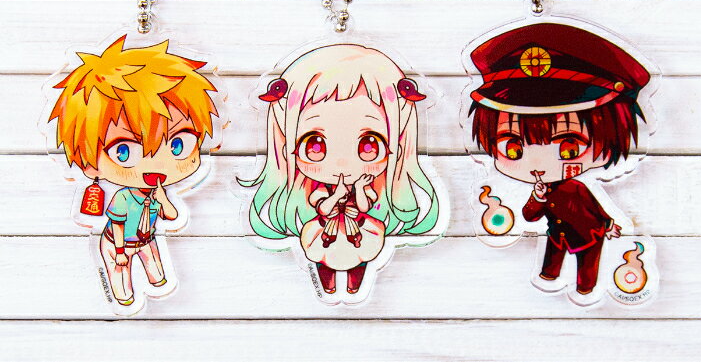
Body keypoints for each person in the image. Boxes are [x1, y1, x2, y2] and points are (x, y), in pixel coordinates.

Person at [242, 44, 440, 295]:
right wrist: (336, 195)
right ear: (286, 147)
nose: (342, 164)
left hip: (360, 230)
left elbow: (365, 206)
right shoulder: (319, 190)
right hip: (325, 232)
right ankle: (328, 281)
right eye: (315, 145)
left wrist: (360, 189)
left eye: (369, 145)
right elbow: (323, 209)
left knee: (363, 254)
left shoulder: (366, 186)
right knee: (322, 255)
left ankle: (356, 280)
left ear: (398, 147)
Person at [468, 22, 650, 295]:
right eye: (514, 147)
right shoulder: (545, 188)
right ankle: (549, 275)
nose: (539, 163)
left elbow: (594, 211)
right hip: (558, 233)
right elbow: (529, 216)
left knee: (587, 264)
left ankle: (586, 287)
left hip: (587, 235)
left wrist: (609, 225)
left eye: (569, 146)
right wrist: (538, 196)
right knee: (552, 255)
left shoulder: (577, 188)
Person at [49, 35, 219, 306]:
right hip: (116, 243)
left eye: (177, 145)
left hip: (147, 239)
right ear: (90, 164)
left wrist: (163, 199)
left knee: (158, 275)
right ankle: (124, 298)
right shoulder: (122, 197)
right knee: (121, 278)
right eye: (124, 151)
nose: (154, 163)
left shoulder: (156, 193)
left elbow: (172, 216)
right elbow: (117, 224)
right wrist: (119, 251)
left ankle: (157, 285)